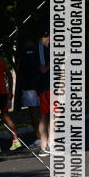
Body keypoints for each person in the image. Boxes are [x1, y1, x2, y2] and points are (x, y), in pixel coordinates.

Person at [16, 35, 42, 147]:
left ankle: (39, 138)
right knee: (45, 113)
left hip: (29, 88)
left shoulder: (22, 54)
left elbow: (19, 70)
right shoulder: (40, 52)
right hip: (42, 86)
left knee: (34, 114)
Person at [36, 28, 51, 156]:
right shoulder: (41, 48)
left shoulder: (45, 48)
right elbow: (43, 69)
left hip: (47, 87)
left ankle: (46, 146)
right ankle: (47, 145)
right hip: (46, 86)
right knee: (51, 115)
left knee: (46, 116)